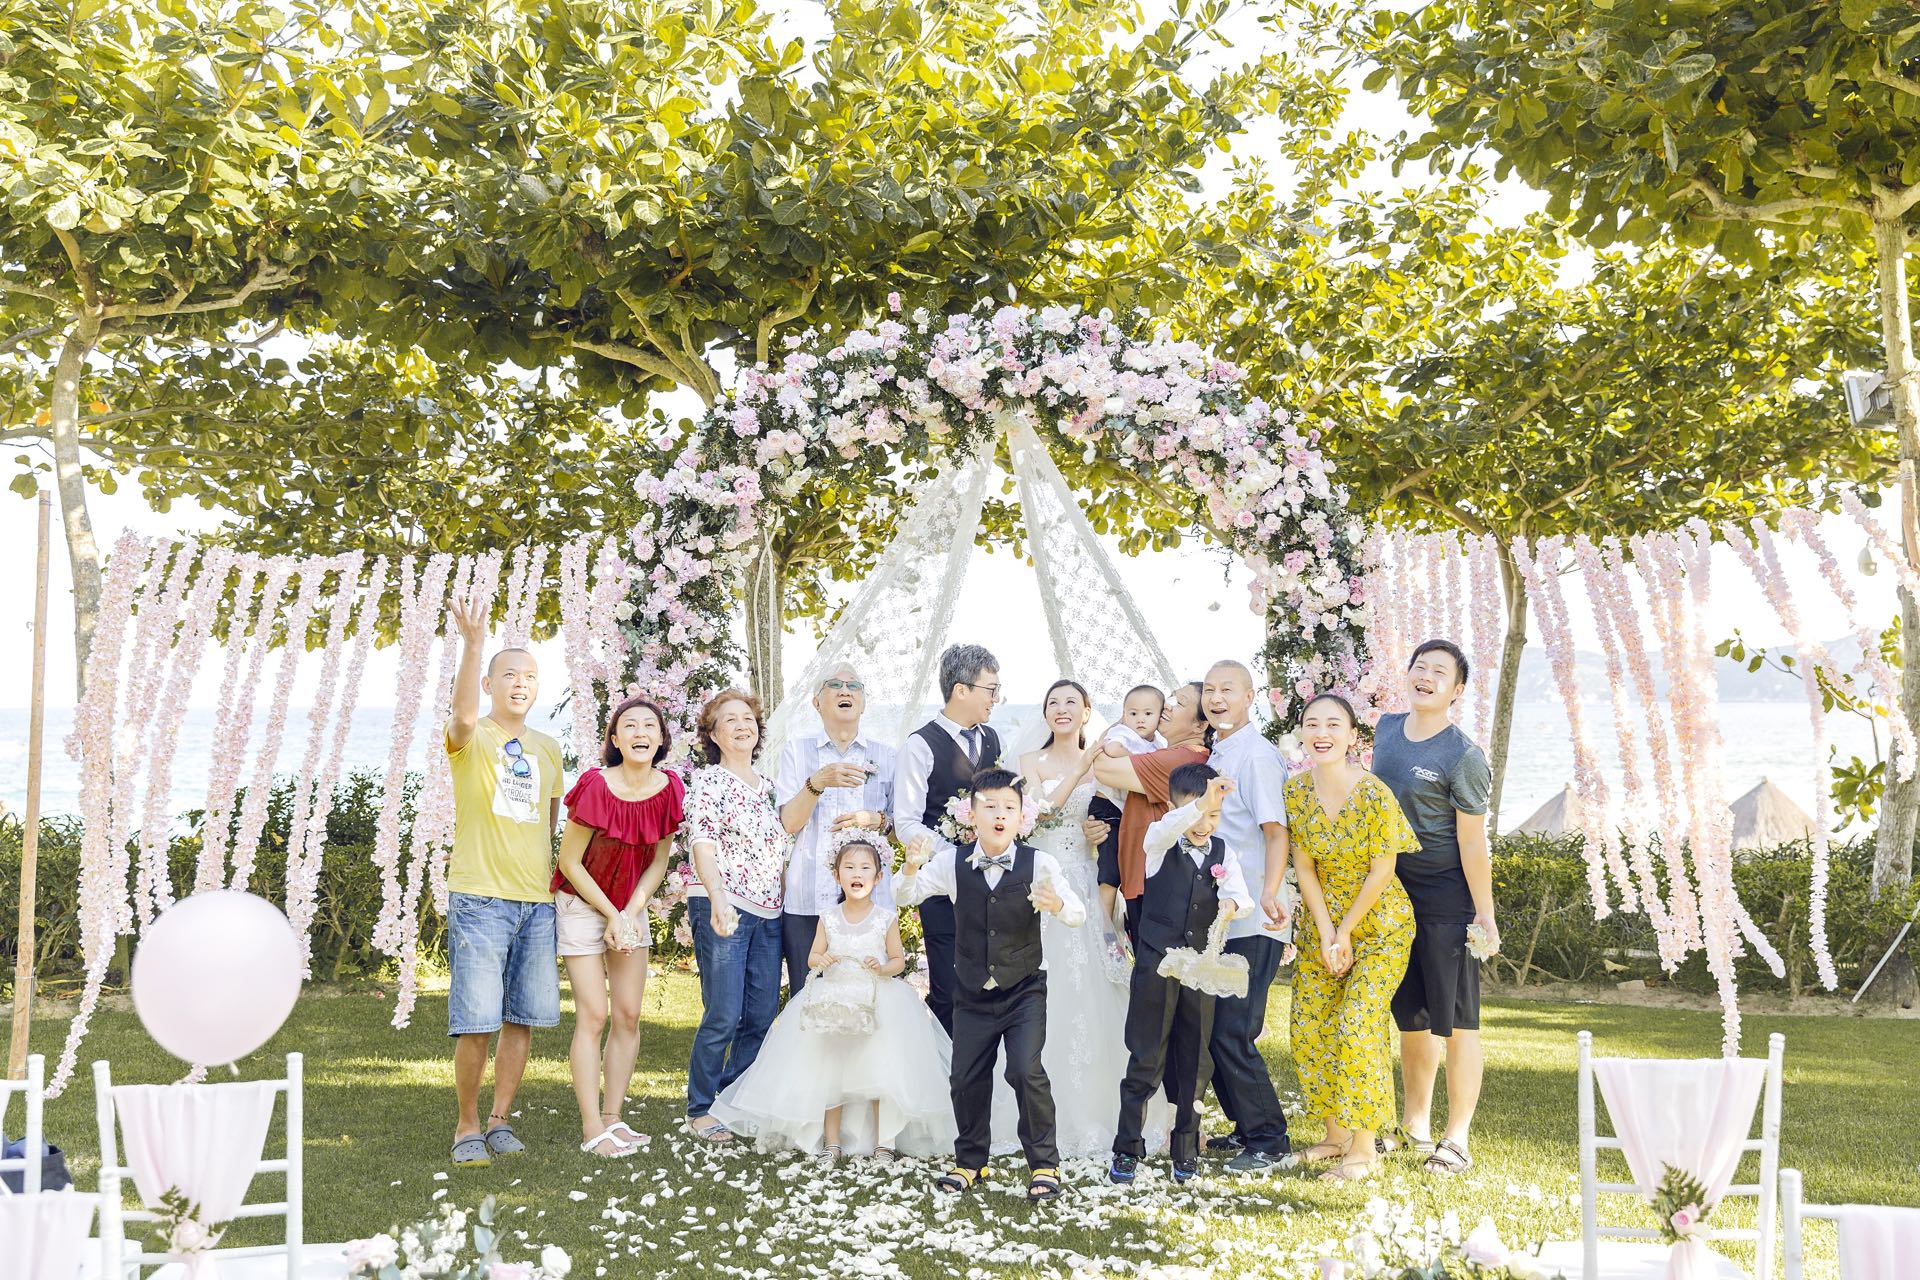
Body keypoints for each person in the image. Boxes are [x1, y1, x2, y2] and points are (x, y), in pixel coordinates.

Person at [893, 769, 1084, 1201]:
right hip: (972, 991)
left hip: (1024, 988)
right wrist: (909, 868)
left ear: (1022, 817)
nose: (999, 815)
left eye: (1009, 808)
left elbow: (1077, 913)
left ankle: (1045, 1164)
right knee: (965, 1077)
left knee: (1024, 1070)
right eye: (990, 806)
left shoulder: (1040, 864)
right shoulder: (951, 863)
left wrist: (1057, 904)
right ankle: (970, 1162)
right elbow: (905, 896)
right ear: (971, 814)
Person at [712, 834, 955, 1163]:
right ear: (836, 875)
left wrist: (883, 968)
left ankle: (884, 1143)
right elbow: (813, 956)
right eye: (849, 867)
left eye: (865, 868)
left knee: (881, 1073)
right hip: (834, 1001)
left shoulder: (885, 918)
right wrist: (822, 960)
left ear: (878, 877)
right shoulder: (829, 917)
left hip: (877, 1001)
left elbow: (898, 961)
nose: (857, 873)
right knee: (831, 1074)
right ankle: (832, 1142)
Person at [1001, 679, 1165, 1158]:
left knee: (1092, 987)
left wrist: (1100, 831)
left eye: (1071, 702)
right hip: (1042, 884)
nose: (1061, 709)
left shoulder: (1107, 763)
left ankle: (1098, 1111)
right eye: (1053, 702)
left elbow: (1122, 816)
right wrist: (1080, 770)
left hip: (1087, 882)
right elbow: (1036, 816)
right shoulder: (1030, 762)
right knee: (1041, 988)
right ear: (1044, 713)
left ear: (1087, 711)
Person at [443, 591, 566, 1169]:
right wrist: (473, 646)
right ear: (491, 684)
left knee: (522, 1018)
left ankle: (499, 1119)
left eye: (530, 676)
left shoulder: (549, 748)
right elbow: (463, 716)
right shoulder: (473, 738)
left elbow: (548, 821)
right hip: (480, 901)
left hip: (535, 904)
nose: (521, 683)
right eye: (510, 675)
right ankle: (467, 1124)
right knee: (477, 1020)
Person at [1370, 639, 1498, 1176]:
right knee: (1413, 1018)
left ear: (1457, 689)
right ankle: (1415, 1127)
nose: (1425, 676)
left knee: (1459, 1022)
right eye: (1419, 666)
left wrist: (1484, 914)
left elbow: (1472, 842)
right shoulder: (1385, 731)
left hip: (1447, 899)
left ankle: (1457, 1138)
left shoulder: (1464, 756)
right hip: (1391, 894)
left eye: (1439, 671)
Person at [1284, 694, 1420, 1183]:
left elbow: (1384, 869)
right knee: (1310, 1026)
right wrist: (1326, 932)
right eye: (1312, 724)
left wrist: (1345, 931)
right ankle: (1335, 1136)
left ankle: (1364, 1148)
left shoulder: (1374, 793)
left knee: (1358, 1022)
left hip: (1380, 927)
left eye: (1333, 725)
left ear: (1352, 736)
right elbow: (1303, 866)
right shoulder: (1296, 792)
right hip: (1322, 925)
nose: (1321, 733)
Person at [552, 695, 683, 1158]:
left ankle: (613, 1118)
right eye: (629, 725)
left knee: (627, 1015)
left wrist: (629, 912)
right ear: (615, 739)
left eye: (649, 725)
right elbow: (569, 862)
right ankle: (592, 1129)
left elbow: (658, 862)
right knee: (594, 1014)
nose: (640, 732)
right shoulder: (595, 785)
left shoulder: (669, 789)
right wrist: (611, 914)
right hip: (582, 902)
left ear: (661, 739)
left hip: (630, 905)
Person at [1111, 765, 1254, 1186]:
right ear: (1175, 809)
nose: (1204, 824)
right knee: (1146, 1057)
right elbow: (1169, 828)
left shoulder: (1224, 852)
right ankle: (1127, 1148)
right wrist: (1200, 804)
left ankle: (1186, 1149)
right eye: (1196, 813)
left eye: (1214, 815)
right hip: (1157, 965)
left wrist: (1232, 905)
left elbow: (1240, 895)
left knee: (1196, 1059)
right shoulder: (1159, 842)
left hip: (1200, 969)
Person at [1197, 659, 1293, 1173]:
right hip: (1223, 918)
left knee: (1233, 1029)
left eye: (1227, 689)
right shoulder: (1219, 751)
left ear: (1249, 696)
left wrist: (1271, 893)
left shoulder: (1255, 755)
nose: (1216, 698)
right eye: (1210, 689)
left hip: (1256, 916)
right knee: (1216, 1028)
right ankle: (1243, 1125)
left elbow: (1276, 832)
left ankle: (1270, 1140)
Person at [682, 689, 790, 1144]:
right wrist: (718, 898)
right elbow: (702, 844)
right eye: (729, 720)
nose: (742, 725)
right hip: (724, 905)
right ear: (713, 735)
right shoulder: (708, 782)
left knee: (761, 1016)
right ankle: (700, 1107)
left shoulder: (769, 787)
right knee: (724, 1014)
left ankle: (734, 1099)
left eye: (748, 718)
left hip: (769, 913)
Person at [893, 643, 1003, 1033]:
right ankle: (946, 1068)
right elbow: (906, 823)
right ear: (961, 690)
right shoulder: (920, 745)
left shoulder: (992, 739)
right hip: (942, 887)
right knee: (948, 989)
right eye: (991, 689)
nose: (996, 698)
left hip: (992, 887)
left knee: (991, 986)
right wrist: (957, 853)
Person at [775, 663, 894, 998]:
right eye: (835, 685)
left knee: (870, 1000)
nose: (845, 691)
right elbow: (789, 823)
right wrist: (817, 782)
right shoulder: (796, 751)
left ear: (863, 702)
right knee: (808, 998)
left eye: (854, 686)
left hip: (870, 905)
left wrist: (876, 820)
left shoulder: (886, 755)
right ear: (817, 702)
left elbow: (900, 827)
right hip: (808, 901)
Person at [1092, 682, 1212, 939]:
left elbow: (1101, 767)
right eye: (1171, 698)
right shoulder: (1165, 752)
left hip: (1154, 886)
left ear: (1200, 726)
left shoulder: (1180, 759)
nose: (1167, 706)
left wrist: (1118, 729)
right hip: (1145, 881)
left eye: (1179, 703)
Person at [1090, 685, 1166, 926]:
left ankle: (1120, 922)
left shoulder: (1159, 744)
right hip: (1108, 808)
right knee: (1110, 870)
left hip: (1128, 812)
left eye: (1148, 714)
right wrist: (1138, 757)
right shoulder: (1124, 734)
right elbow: (1111, 749)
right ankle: (1103, 926)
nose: (1140, 719)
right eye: (1133, 713)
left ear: (1160, 716)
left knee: (1129, 865)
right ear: (1124, 714)